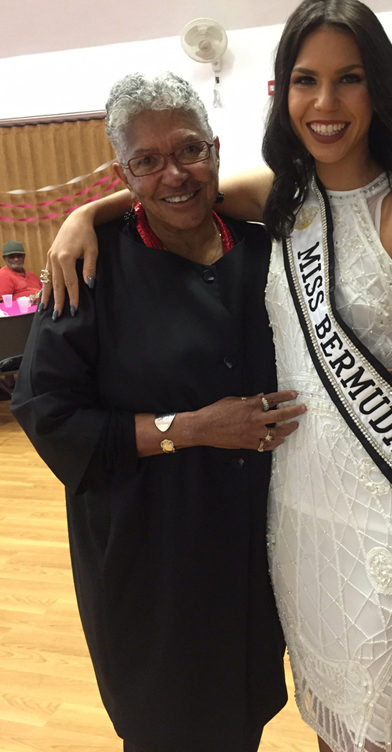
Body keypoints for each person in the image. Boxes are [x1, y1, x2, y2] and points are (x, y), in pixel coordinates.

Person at [40, 0, 392, 752]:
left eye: (349, 79)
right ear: (285, 92)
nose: (326, 103)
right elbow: (172, 189)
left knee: (378, 728)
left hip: (386, 509)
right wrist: (84, 216)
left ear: (379, 87)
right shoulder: (281, 197)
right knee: (329, 722)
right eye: (307, 80)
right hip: (294, 514)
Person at [11, 72, 308, 752]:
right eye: (146, 161)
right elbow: (48, 413)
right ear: (124, 173)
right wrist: (192, 428)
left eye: (190, 150)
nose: (174, 174)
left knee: (241, 714)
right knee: (167, 722)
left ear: (216, 150)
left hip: (251, 549)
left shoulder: (261, 250)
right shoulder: (89, 272)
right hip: (152, 558)